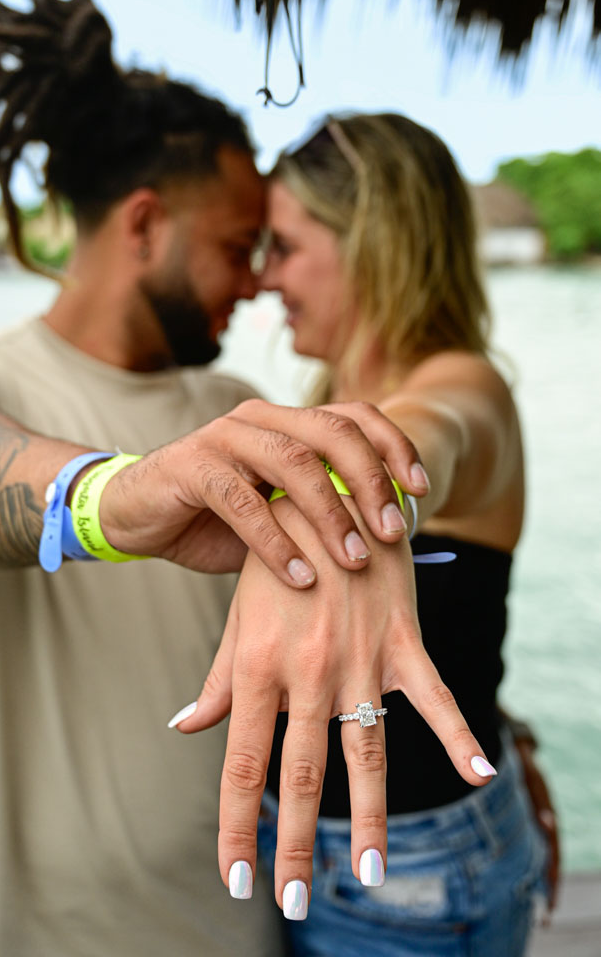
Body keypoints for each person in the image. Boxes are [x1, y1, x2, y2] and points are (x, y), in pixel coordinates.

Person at [0, 0, 491, 957]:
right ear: (145, 226)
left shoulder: (234, 403)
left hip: (246, 922)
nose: (257, 282)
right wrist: (118, 498)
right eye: (241, 247)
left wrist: (491, 721)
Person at [178, 113, 552, 951]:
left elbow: (428, 439)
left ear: (373, 244)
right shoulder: (324, 401)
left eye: (285, 245)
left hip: (410, 870)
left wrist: (337, 504)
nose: (266, 278)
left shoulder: (464, 387)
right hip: (322, 845)